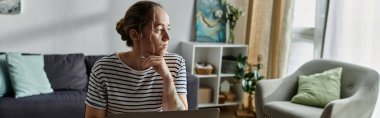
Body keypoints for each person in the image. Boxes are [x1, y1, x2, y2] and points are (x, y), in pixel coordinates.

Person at [84, 1, 188, 118]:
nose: (168, 37)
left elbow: (180, 115)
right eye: (159, 30)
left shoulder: (176, 64)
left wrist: (168, 78)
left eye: (168, 29)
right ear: (134, 35)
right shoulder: (103, 69)